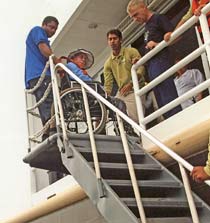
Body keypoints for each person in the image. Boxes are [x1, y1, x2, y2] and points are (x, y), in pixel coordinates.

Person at [127, 0, 182, 119]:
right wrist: (141, 59)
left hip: (161, 62)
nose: (135, 19)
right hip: (151, 66)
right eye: (132, 17)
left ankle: (177, 118)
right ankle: (170, 122)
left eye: (136, 15)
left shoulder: (158, 18)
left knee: (168, 96)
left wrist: (158, 44)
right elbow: (150, 48)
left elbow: (176, 35)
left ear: (143, 7)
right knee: (161, 101)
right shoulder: (146, 27)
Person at [25, 16, 60, 139]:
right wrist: (58, 63)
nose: (53, 31)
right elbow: (44, 49)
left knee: (45, 103)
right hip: (40, 74)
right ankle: (52, 129)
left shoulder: (40, 37)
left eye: (55, 29)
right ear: (43, 24)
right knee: (49, 102)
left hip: (35, 76)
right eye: (51, 27)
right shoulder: (38, 31)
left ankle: (46, 133)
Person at [103, 28, 145, 123]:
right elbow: (108, 84)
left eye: (115, 38)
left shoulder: (131, 51)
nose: (112, 41)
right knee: (115, 112)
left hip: (136, 88)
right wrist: (106, 96)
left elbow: (141, 68)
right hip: (122, 92)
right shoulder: (108, 63)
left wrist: (131, 84)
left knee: (136, 119)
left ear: (120, 39)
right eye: (110, 39)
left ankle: (139, 134)